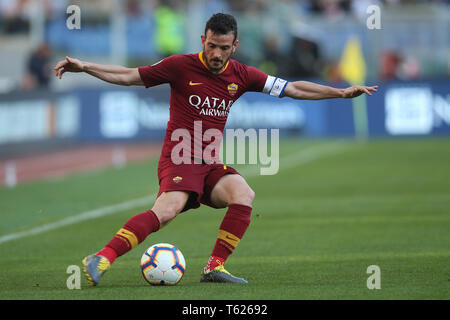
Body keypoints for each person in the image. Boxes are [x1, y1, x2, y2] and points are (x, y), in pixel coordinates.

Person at [54, 13, 378, 285]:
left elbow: (292, 88)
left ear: (234, 46)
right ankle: (101, 258)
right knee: (167, 212)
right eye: (211, 45)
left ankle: (214, 267)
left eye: (223, 48)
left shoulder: (242, 75)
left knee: (244, 194)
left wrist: (339, 93)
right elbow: (128, 76)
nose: (216, 53)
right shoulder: (179, 66)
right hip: (179, 158)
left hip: (209, 163)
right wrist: (85, 67)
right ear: (202, 40)